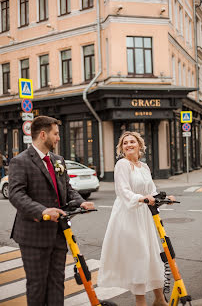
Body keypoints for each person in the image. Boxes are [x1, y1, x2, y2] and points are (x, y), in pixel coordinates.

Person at [9, 116, 94, 306]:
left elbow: (67, 188)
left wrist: (80, 202)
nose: (58, 138)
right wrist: (42, 211)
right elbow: (16, 195)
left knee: (57, 283)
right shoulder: (20, 161)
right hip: (33, 235)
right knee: (38, 286)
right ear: (42, 134)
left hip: (59, 233)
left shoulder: (58, 160)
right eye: (55, 134)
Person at [98, 131, 175, 306]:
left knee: (153, 255)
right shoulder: (122, 165)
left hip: (145, 215)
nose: (129, 145)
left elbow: (152, 190)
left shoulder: (144, 166)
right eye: (125, 143)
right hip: (128, 215)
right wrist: (140, 198)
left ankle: (159, 299)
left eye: (132, 141)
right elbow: (123, 191)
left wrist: (164, 198)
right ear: (122, 148)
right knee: (139, 257)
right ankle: (141, 302)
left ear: (139, 145)